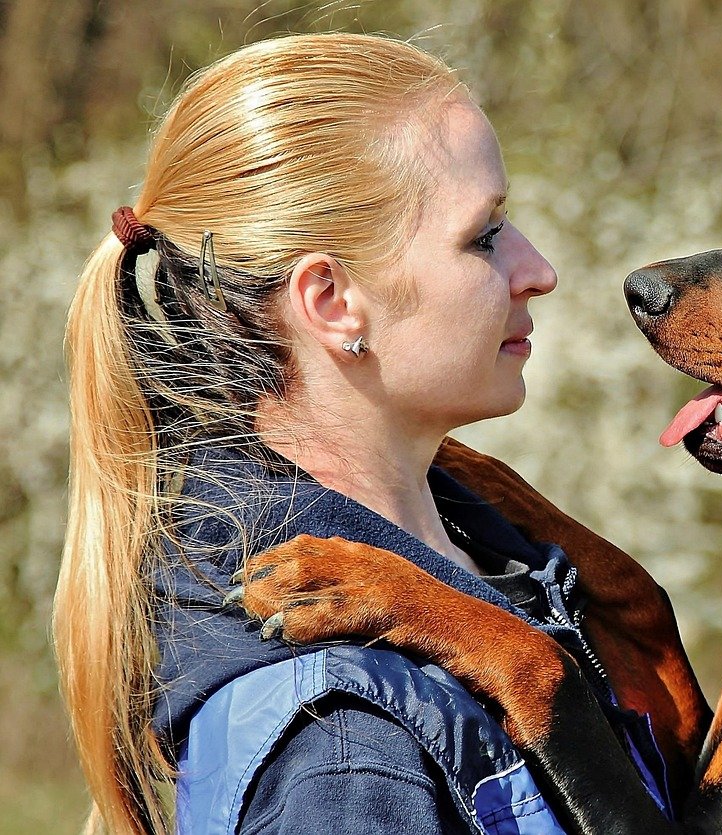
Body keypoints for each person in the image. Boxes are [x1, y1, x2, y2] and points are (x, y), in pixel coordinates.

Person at [54, 32, 678, 835]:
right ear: (332, 301)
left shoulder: (497, 552)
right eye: (483, 236)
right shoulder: (345, 751)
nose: (539, 268)